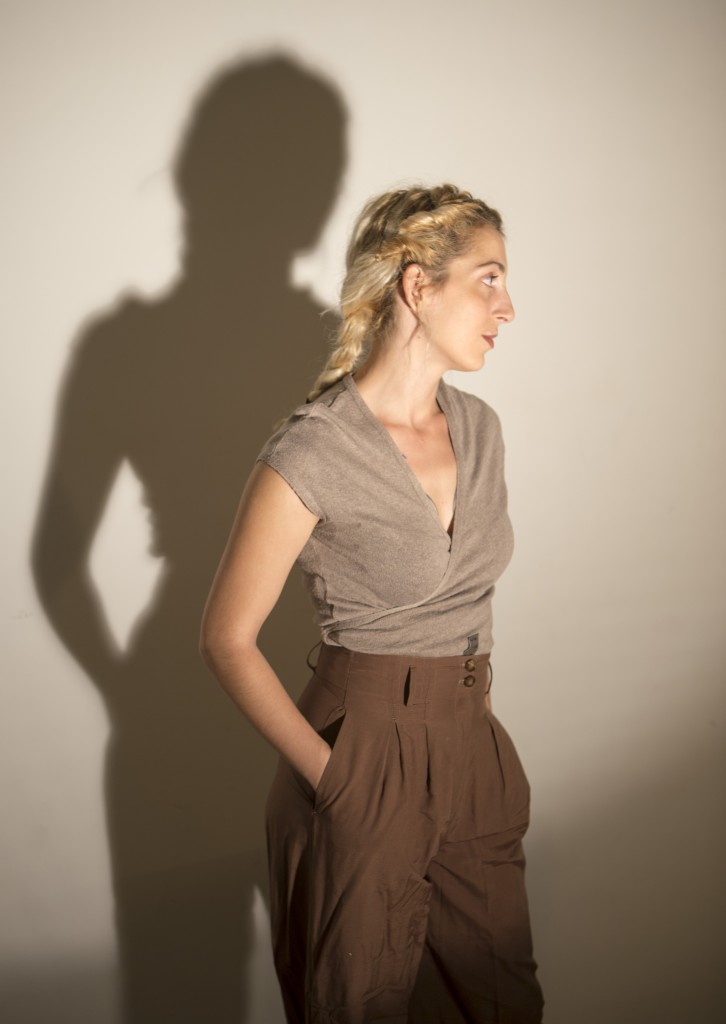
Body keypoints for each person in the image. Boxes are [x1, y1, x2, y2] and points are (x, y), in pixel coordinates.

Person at [200, 183, 544, 1023]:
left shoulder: (482, 429)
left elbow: (469, 598)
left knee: (500, 1003)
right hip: (362, 752)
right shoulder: (314, 449)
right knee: (361, 1003)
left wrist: (472, 742)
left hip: (473, 753)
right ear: (418, 286)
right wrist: (339, 780)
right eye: (489, 279)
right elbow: (227, 638)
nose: (509, 307)